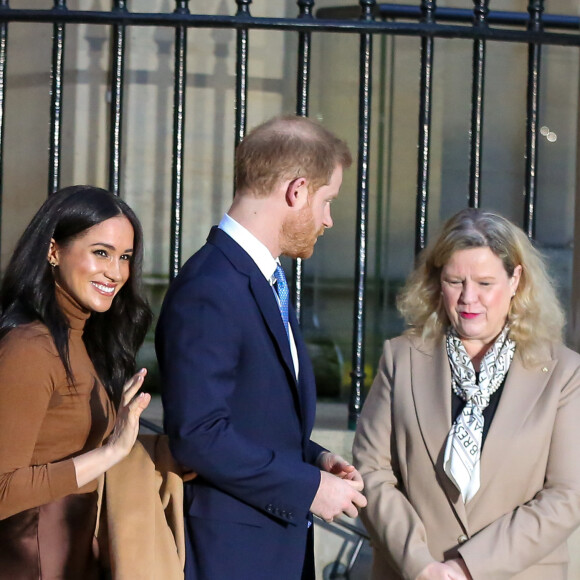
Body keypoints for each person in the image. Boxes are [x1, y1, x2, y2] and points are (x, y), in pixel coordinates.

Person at [156, 115, 367, 580]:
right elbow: (199, 433)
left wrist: (313, 458)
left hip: (266, 549)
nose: (329, 219)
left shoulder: (258, 278)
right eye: (327, 200)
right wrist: (308, 486)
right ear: (297, 191)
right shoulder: (211, 285)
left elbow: (250, 414)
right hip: (230, 555)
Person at [352, 207, 580, 580]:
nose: (468, 298)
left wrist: (466, 567)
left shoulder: (564, 373)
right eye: (455, 281)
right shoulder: (401, 358)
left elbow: (566, 495)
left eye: (485, 283)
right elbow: (371, 470)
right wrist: (420, 564)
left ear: (516, 280)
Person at [0, 185, 153, 579]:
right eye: (100, 253)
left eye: (125, 257)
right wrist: (111, 452)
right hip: (32, 559)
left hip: (69, 554)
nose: (116, 272)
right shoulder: (30, 348)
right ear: (53, 251)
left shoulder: (79, 341)